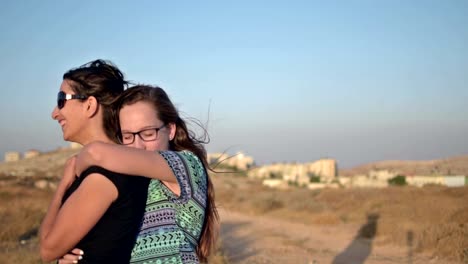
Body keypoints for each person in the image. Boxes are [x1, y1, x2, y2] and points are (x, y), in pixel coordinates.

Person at [59, 85, 219, 264]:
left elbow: (95, 153)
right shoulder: (125, 185)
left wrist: (75, 164)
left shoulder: (187, 165)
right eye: (127, 137)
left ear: (171, 129)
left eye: (148, 133)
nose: (137, 146)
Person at [40, 60, 150, 263]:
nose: (55, 113)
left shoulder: (102, 177)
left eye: (61, 100)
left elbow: (47, 249)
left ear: (89, 105)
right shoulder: (119, 165)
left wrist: (64, 184)